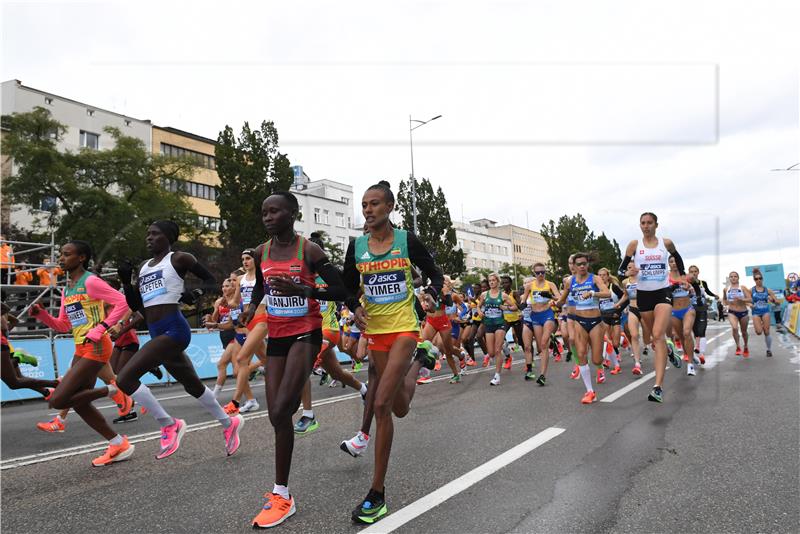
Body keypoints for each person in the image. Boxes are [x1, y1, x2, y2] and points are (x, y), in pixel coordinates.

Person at [68, 221, 244, 460]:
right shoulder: (143, 267)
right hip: (155, 330)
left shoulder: (180, 258)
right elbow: (137, 306)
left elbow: (210, 279)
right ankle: (228, 423)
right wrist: (126, 281)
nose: (149, 238)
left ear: (168, 237)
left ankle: (169, 423)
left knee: (126, 378)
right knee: (192, 385)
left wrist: (195, 294)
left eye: (155, 234)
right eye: (147, 234)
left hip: (174, 330)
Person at [341, 181, 442, 525]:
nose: (367, 210)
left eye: (374, 204)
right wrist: (354, 306)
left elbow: (434, 273)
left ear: (389, 207)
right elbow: (344, 286)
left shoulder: (406, 241)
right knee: (399, 407)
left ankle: (377, 494)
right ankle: (420, 362)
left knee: (381, 404)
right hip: (376, 333)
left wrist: (433, 294)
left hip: (404, 328)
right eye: (365, 205)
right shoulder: (356, 246)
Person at [29, 240, 135, 466]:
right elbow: (63, 326)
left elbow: (123, 303)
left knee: (58, 399)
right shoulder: (68, 289)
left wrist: (101, 328)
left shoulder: (92, 282)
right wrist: (42, 316)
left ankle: (113, 389)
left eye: (67, 254)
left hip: (96, 346)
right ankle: (118, 443)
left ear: (81, 258)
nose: (61, 258)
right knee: (79, 402)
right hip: (80, 347)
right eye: (61, 254)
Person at [294, 233, 368, 435]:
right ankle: (364, 389)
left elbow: (347, 292)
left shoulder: (330, 273)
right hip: (309, 329)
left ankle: (308, 415)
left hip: (330, 329)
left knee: (302, 365)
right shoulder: (300, 275)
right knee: (336, 372)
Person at [619, 212, 686, 403]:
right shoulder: (634, 245)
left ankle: (658, 387)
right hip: (644, 295)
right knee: (649, 339)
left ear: (656, 225)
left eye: (650, 223)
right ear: (639, 225)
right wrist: (630, 270)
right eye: (643, 223)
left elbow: (677, 258)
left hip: (662, 292)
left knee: (658, 335)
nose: (646, 226)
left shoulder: (665, 243)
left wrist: (680, 277)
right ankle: (669, 350)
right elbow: (621, 269)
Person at [555, 253, 611, 404]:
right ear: (573, 265)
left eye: (584, 263)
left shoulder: (594, 278)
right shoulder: (569, 281)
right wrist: (555, 302)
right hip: (579, 321)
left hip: (595, 321)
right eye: (578, 264)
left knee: (597, 359)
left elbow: (607, 293)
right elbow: (562, 300)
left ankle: (605, 349)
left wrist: (593, 293)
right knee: (581, 354)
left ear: (587, 264)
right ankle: (590, 391)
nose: (581, 266)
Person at [2, 302, 61, 397]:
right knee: (19, 380)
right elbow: (14, 321)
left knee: (15, 382)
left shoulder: (2, 313)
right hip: (5, 346)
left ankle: (18, 358)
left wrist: (4, 335)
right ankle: (46, 392)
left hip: (4, 347)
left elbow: (6, 324)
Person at [520, 264, 561, 384]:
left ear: (545, 272)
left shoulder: (550, 284)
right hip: (535, 317)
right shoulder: (529, 286)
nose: (540, 275)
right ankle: (551, 343)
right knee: (540, 347)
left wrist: (550, 296)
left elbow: (559, 299)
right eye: (538, 273)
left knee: (544, 344)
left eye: (542, 272)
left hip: (547, 314)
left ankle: (542, 375)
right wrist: (521, 305)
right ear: (534, 273)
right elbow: (523, 300)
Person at [476, 273, 518, 386]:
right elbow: (478, 306)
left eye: (494, 280)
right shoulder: (484, 295)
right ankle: (504, 347)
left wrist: (505, 307)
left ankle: (497, 375)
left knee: (497, 350)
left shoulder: (503, 295)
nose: (491, 282)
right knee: (491, 352)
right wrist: (480, 312)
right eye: (490, 281)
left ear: (497, 282)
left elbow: (515, 307)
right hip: (488, 324)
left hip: (500, 323)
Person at [668, 257, 696, 376]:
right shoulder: (665, 277)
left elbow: (696, 291)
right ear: (668, 264)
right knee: (681, 337)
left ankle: (690, 364)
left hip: (688, 309)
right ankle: (690, 354)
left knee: (686, 332)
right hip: (674, 311)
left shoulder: (687, 276)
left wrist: (690, 289)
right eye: (671, 262)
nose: (674, 264)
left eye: (675, 261)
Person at [597, 267, 628, 375]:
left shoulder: (613, 287)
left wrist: (618, 310)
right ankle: (612, 363)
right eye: (599, 275)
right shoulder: (597, 288)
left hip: (614, 315)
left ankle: (622, 338)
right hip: (603, 316)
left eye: (604, 275)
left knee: (615, 343)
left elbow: (626, 298)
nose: (601, 277)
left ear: (608, 276)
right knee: (606, 340)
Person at [687, 265, 718, 364]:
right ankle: (694, 352)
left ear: (698, 272)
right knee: (694, 331)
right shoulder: (686, 283)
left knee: (702, 330)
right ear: (689, 272)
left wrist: (714, 295)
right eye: (691, 271)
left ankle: (701, 353)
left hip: (701, 308)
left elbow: (707, 292)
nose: (694, 273)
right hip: (690, 309)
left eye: (695, 271)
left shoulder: (702, 283)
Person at [750, 268, 778, 357]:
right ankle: (761, 325)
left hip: (765, 311)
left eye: (760, 278)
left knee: (766, 331)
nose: (758, 280)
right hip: (756, 312)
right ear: (754, 280)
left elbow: (777, 301)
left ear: (762, 279)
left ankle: (768, 350)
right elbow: (747, 300)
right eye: (756, 279)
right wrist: (750, 305)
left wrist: (772, 299)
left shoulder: (768, 290)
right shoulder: (751, 290)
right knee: (758, 332)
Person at [722, 271, 752, 356]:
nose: (733, 278)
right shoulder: (726, 289)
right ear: (729, 278)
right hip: (732, 312)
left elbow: (750, 299)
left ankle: (745, 346)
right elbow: (724, 299)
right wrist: (725, 303)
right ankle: (738, 346)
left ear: (738, 278)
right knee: (735, 328)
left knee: (744, 331)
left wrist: (742, 299)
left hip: (743, 312)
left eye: (735, 276)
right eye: (731, 276)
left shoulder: (742, 288)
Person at [622, 264, 644, 375]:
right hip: (632, 309)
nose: (631, 269)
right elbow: (625, 295)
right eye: (629, 267)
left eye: (633, 267)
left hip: (645, 309)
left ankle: (649, 345)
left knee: (649, 335)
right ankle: (637, 363)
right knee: (634, 335)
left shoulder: (643, 278)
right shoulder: (625, 282)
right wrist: (618, 304)